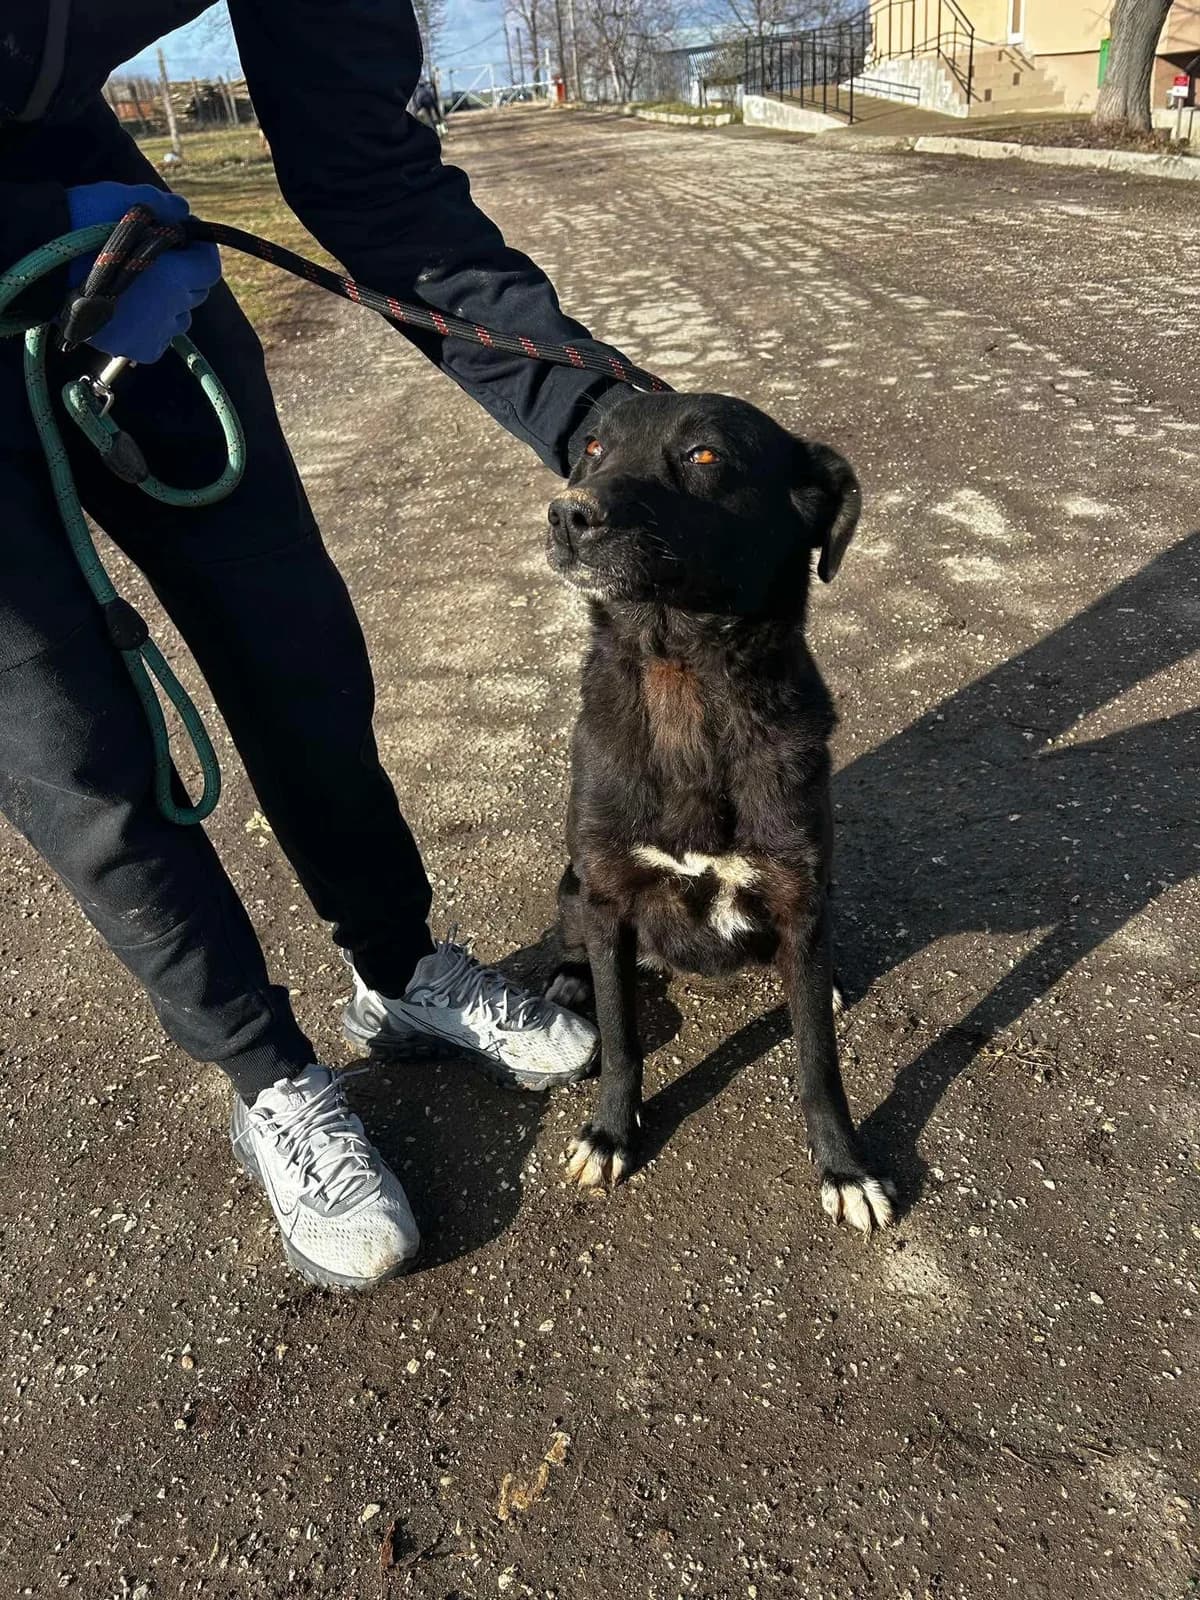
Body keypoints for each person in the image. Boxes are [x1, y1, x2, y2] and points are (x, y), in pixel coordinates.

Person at [0, 2, 631, 1293]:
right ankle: (269, 1076)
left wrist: (611, 426)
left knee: (300, 652)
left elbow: (374, 173)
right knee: (71, 746)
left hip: (93, 230)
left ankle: (396, 969)